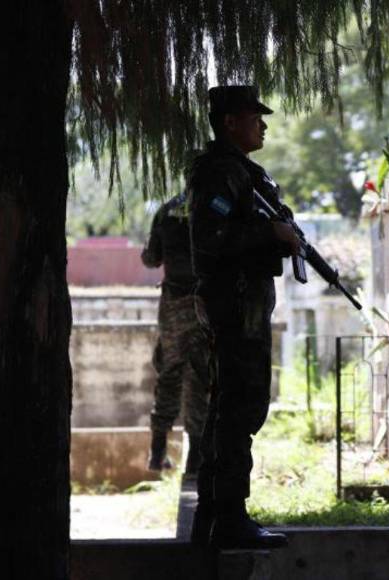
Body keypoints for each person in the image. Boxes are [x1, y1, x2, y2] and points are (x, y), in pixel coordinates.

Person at [187, 85, 301, 550]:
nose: (264, 124)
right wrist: (268, 231)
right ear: (230, 121)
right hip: (233, 306)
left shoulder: (243, 173)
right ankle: (228, 519)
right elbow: (209, 240)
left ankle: (216, 516)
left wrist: (280, 232)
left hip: (245, 304)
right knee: (238, 407)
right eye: (255, 116)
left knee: (236, 408)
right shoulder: (219, 172)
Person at [141, 191, 210, 476]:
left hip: (172, 307)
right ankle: (195, 458)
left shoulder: (168, 210)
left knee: (169, 373)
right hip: (204, 305)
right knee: (200, 377)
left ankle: (158, 452)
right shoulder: (215, 206)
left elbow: (151, 259)